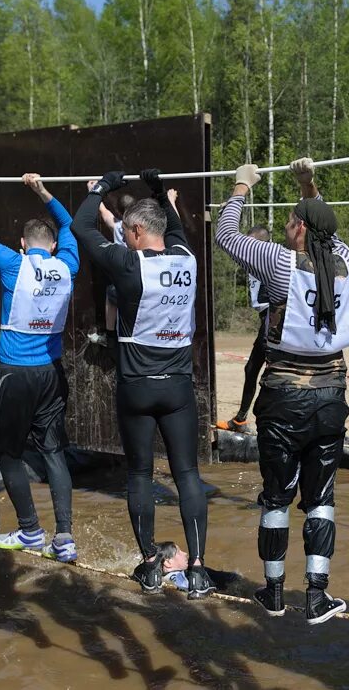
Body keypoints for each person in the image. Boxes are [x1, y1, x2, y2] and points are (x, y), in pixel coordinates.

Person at [213, 157, 349, 625]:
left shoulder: (278, 262)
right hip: (331, 396)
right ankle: (317, 596)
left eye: (292, 221)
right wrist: (306, 184)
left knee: (276, 497)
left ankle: (273, 593)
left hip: (283, 398)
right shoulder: (345, 261)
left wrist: (241, 185)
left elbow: (226, 236)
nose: (287, 227)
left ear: (297, 230)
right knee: (322, 497)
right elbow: (326, 228)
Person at [72, 169, 214, 599]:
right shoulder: (185, 257)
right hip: (177, 387)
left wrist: (101, 187)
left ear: (134, 231)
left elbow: (79, 226)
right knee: (187, 474)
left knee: (139, 473)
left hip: (137, 386)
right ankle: (200, 569)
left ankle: (151, 565)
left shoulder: (128, 263)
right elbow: (174, 227)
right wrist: (157, 189)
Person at [0, 171, 80, 561]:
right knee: (53, 453)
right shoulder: (68, 264)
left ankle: (30, 531)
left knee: (8, 454)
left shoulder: (14, 264)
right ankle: (64, 538)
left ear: (24, 244)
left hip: (15, 374)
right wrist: (44, 191)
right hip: (51, 373)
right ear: (53, 246)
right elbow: (68, 223)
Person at [221, 226, 272, 431]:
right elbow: (232, 248)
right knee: (251, 369)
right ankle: (241, 419)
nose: (246, 248)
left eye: (250, 243)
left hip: (274, 317)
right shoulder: (252, 258)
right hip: (265, 318)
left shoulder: (270, 258)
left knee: (270, 372)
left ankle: (266, 421)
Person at [96, 192, 134, 360]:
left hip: (122, 280)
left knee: (111, 295)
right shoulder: (145, 227)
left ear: (119, 212)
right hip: (140, 278)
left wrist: (94, 191)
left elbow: (104, 213)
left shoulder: (119, 227)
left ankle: (110, 334)